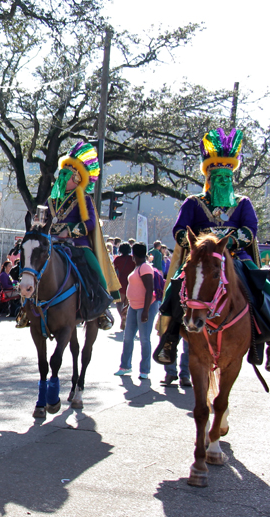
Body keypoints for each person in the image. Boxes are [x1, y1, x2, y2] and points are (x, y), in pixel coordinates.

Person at [154, 128, 265, 366]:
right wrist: (200, 245)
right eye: (219, 177)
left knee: (261, 288)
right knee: (176, 288)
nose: (224, 181)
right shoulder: (193, 203)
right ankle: (170, 339)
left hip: (236, 257)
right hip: (201, 259)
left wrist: (230, 242)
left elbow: (249, 230)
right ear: (209, 179)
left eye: (227, 177)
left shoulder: (243, 203)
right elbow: (180, 230)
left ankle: (259, 338)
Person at [17, 142, 120, 329]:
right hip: (52, 243)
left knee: (94, 269)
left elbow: (89, 223)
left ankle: (103, 306)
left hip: (77, 244)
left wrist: (69, 231)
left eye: (66, 174)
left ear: (77, 178)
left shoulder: (83, 198)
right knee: (31, 263)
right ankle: (25, 307)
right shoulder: (52, 199)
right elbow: (44, 219)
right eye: (61, 173)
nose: (62, 177)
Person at [115, 244, 159, 379]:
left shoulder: (145, 267)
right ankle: (125, 366)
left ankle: (144, 370)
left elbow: (149, 290)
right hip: (134, 307)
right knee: (128, 337)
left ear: (134, 254)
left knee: (144, 339)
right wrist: (128, 305)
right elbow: (133, 287)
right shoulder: (138, 267)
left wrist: (145, 311)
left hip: (145, 307)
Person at [112, 243, 136, 330]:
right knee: (127, 303)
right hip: (131, 282)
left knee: (119, 303)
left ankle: (122, 316)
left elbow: (113, 270)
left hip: (120, 282)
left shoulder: (117, 259)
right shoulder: (132, 259)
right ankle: (125, 316)